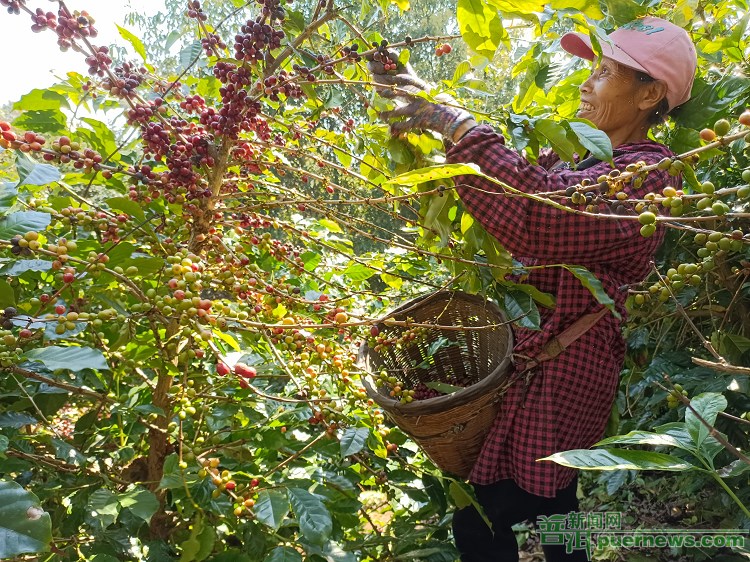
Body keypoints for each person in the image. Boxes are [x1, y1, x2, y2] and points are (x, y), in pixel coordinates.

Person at [369, 16, 697, 562]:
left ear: (650, 94)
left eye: (604, 72)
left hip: (567, 366)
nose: (585, 84)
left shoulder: (649, 177)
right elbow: (507, 182)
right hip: (526, 358)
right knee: (518, 512)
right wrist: (422, 108)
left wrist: (454, 124)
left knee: (519, 512)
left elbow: (533, 213)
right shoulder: (575, 155)